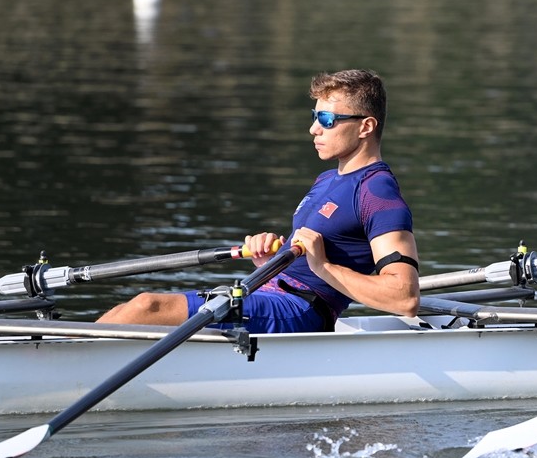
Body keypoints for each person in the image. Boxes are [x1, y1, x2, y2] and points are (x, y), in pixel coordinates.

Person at [99, 69, 419, 332]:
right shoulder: (326, 180)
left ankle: (60, 364)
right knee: (128, 307)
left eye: (326, 120)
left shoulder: (377, 191)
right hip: (266, 292)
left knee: (147, 306)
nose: (312, 129)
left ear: (365, 126)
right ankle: (64, 352)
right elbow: (306, 257)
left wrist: (322, 266)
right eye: (314, 117)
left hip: (299, 311)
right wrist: (269, 262)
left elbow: (404, 298)